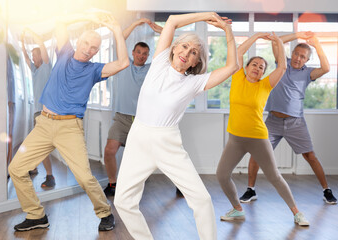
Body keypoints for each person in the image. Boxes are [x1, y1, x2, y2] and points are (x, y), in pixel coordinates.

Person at [114, 12, 238, 240]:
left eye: (193, 53)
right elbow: (171, 20)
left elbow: (232, 66)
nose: (186, 53)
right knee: (123, 201)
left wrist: (227, 31)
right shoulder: (159, 62)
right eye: (184, 46)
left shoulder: (194, 82)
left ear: (195, 63)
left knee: (201, 199)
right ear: (173, 48)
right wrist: (208, 15)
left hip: (167, 144)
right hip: (138, 138)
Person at [8, 12, 129, 232]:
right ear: (78, 41)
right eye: (85, 43)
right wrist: (87, 16)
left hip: (69, 128)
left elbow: (122, 63)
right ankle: (36, 215)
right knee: (16, 168)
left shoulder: (94, 70)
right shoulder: (64, 52)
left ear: (96, 51)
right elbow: (61, 21)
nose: (88, 49)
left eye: (94, 47)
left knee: (84, 177)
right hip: (43, 124)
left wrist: (116, 31)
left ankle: (105, 212)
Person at [216, 32, 310, 226]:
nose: (258, 68)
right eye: (254, 65)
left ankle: (297, 213)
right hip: (235, 139)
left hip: (258, 138)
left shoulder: (265, 85)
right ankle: (237, 209)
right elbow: (239, 51)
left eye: (262, 67)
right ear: (246, 67)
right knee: (222, 175)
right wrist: (257, 36)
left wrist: (277, 42)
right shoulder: (237, 77)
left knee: (274, 176)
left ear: (263, 73)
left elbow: (283, 66)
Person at [239, 32, 337, 205]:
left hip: (295, 122)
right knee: (257, 154)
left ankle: (326, 190)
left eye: (303, 56)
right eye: (296, 54)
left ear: (307, 60)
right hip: (273, 121)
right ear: (292, 54)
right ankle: (250, 189)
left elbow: (327, 68)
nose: (298, 58)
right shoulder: (282, 64)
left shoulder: (308, 73)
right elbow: (277, 42)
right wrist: (298, 35)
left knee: (310, 155)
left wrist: (316, 44)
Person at [103, 18, 162, 196]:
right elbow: (118, 38)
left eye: (145, 53)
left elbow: (171, 54)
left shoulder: (152, 69)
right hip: (121, 118)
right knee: (109, 151)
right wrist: (136, 24)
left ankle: (179, 183)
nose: (142, 56)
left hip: (142, 121)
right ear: (133, 52)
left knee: (155, 156)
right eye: (139, 52)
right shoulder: (124, 65)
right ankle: (113, 184)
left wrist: (160, 31)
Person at [21, 28, 55, 188]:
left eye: (36, 55)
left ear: (41, 55)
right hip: (37, 112)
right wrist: (22, 42)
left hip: (45, 113)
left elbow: (42, 47)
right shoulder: (34, 70)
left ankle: (50, 176)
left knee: (40, 146)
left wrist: (34, 35)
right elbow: (26, 58)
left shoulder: (46, 67)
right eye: (33, 56)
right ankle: (34, 167)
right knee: (34, 143)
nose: (33, 58)